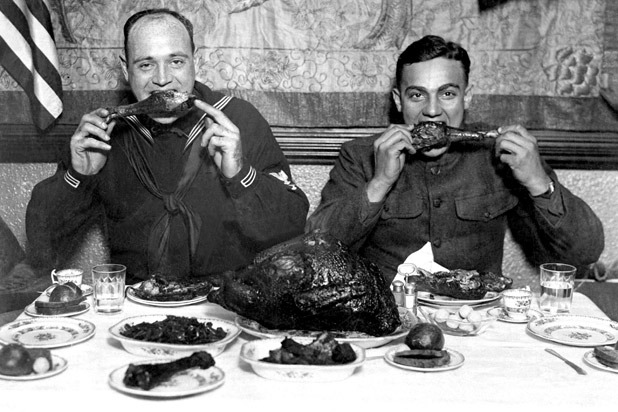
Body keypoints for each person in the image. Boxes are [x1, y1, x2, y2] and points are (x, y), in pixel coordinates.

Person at [26, 8, 309, 284]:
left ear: (194, 61)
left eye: (176, 61)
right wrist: (78, 177)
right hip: (137, 306)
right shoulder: (103, 133)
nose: (162, 79)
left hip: (229, 300)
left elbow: (290, 228)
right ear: (126, 69)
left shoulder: (239, 120)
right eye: (146, 64)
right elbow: (42, 245)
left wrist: (240, 176)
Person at [306, 35, 604, 283]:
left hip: (478, 320)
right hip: (388, 317)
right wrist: (380, 182)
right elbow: (315, 252)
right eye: (417, 95)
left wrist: (539, 182)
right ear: (398, 100)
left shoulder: (500, 155)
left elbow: (583, 254)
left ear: (467, 97)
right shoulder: (359, 155)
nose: (432, 110)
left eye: (447, 93)